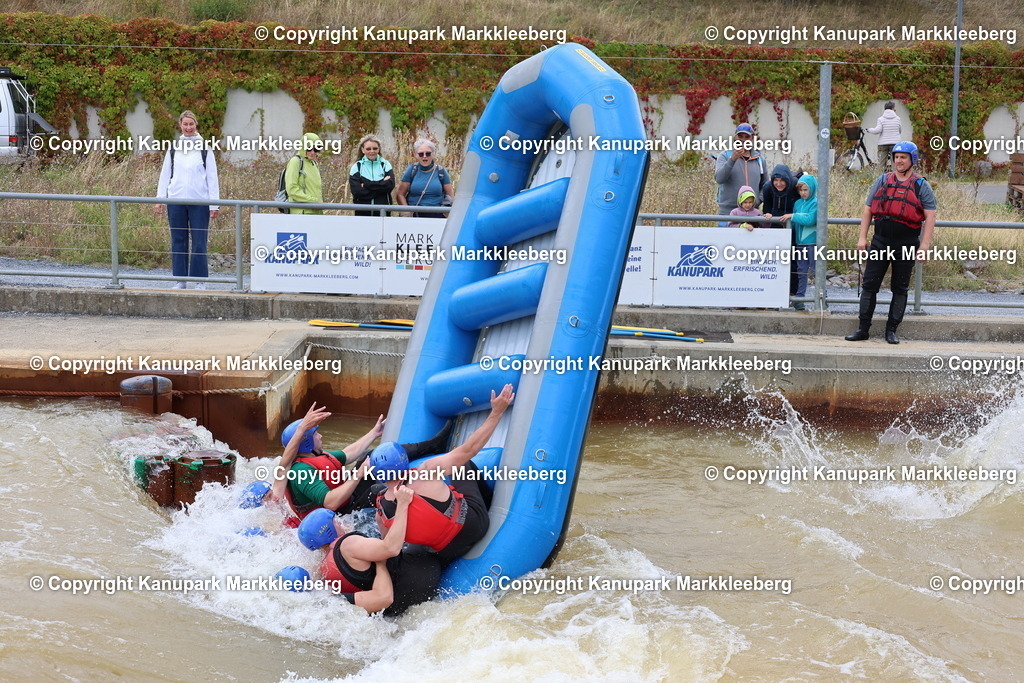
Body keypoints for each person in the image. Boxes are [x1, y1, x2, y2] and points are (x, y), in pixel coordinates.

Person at [370, 384, 515, 561]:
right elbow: (470, 449)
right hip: (474, 526)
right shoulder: (426, 471)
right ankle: (491, 501)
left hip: (447, 551)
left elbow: (389, 547)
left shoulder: (381, 512)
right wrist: (496, 412)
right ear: (403, 460)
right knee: (462, 464)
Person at [845, 142, 935, 344]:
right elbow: (868, 209)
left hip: (906, 242)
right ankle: (863, 329)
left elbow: (930, 216)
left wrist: (924, 246)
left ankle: (891, 330)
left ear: (912, 159)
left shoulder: (921, 185)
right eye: (896, 157)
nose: (899, 161)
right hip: (880, 241)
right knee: (869, 285)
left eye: (903, 157)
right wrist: (862, 237)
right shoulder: (882, 180)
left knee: (900, 288)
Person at [298, 489, 441, 615]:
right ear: (328, 530)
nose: (340, 522)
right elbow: (391, 549)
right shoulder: (347, 545)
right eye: (335, 521)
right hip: (419, 577)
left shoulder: (324, 570)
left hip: (399, 606)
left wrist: (381, 526)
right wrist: (403, 504)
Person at [268, 403, 385, 521]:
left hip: (345, 503)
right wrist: (358, 475)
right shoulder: (301, 472)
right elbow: (331, 503)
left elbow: (348, 454)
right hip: (338, 517)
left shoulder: (316, 455)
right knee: (377, 491)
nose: (321, 436)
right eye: (316, 434)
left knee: (369, 456)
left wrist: (374, 433)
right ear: (307, 443)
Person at [155, 110, 220, 290]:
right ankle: (180, 280)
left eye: (191, 124)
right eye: (185, 124)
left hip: (199, 202)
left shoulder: (205, 148)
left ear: (196, 125)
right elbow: (165, 174)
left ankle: (200, 280)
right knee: (178, 240)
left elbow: (212, 177)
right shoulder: (174, 148)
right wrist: (160, 199)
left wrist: (214, 204)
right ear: (180, 125)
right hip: (176, 201)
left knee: (199, 241)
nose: (188, 128)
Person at [761, 164, 802, 303]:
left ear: (787, 180)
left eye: (782, 180)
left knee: (793, 259)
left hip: (793, 225)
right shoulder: (768, 187)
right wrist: (767, 214)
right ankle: (775, 289)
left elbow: (801, 205)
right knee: (776, 258)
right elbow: (766, 207)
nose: (778, 184)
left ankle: (793, 291)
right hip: (775, 225)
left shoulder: (795, 187)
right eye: (776, 180)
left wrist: (791, 217)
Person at [714, 123, 769, 226]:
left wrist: (757, 201)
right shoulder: (725, 156)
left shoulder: (760, 160)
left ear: (752, 138)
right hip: (727, 214)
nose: (743, 140)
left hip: (752, 214)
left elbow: (765, 185)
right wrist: (733, 159)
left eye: (747, 136)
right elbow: (719, 178)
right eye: (740, 136)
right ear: (736, 137)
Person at [777, 175, 818, 311]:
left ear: (812, 189)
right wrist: (787, 225)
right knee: (801, 271)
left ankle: (822, 298)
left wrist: (792, 216)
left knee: (816, 271)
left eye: (806, 189)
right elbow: (794, 224)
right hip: (799, 243)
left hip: (812, 243)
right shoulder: (797, 204)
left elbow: (810, 220)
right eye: (801, 190)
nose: (803, 193)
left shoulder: (816, 203)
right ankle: (799, 299)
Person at [395, 139, 454, 218]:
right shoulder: (411, 170)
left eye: (428, 153)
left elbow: (450, 195)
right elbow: (400, 194)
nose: (424, 156)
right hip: (414, 214)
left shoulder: (441, 171)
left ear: (433, 154)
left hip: (437, 215)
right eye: (421, 154)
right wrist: (406, 211)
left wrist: (446, 211)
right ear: (415, 155)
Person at [348, 134, 395, 216]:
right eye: (368, 149)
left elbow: (389, 186)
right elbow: (357, 191)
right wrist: (381, 187)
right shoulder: (356, 167)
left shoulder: (385, 165)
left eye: (375, 148)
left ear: (379, 149)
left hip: (383, 213)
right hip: (362, 214)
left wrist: (366, 185)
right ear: (363, 150)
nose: (372, 151)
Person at [284, 132, 324, 215]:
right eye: (309, 148)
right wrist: (313, 201)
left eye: (316, 149)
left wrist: (318, 204)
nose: (313, 152)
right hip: (302, 213)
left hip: (316, 211)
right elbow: (291, 189)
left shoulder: (314, 163)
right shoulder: (295, 162)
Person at [867, 101, 902, 171]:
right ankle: (895, 179)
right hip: (895, 143)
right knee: (895, 163)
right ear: (892, 108)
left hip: (883, 143)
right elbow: (900, 130)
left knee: (881, 164)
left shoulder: (881, 119)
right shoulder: (898, 119)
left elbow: (878, 130)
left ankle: (880, 179)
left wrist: (869, 130)